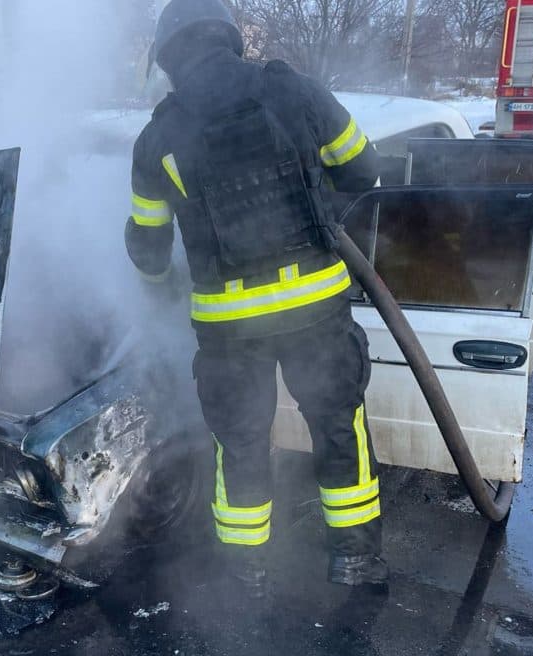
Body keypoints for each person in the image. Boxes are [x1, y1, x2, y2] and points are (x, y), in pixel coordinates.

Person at [125, 0, 387, 592]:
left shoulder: (157, 138)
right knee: (339, 430)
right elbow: (363, 169)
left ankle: (247, 574)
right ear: (227, 38)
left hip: (228, 330)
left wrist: (158, 290)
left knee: (240, 444)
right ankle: (355, 560)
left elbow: (148, 250)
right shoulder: (295, 93)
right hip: (315, 313)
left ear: (167, 58)